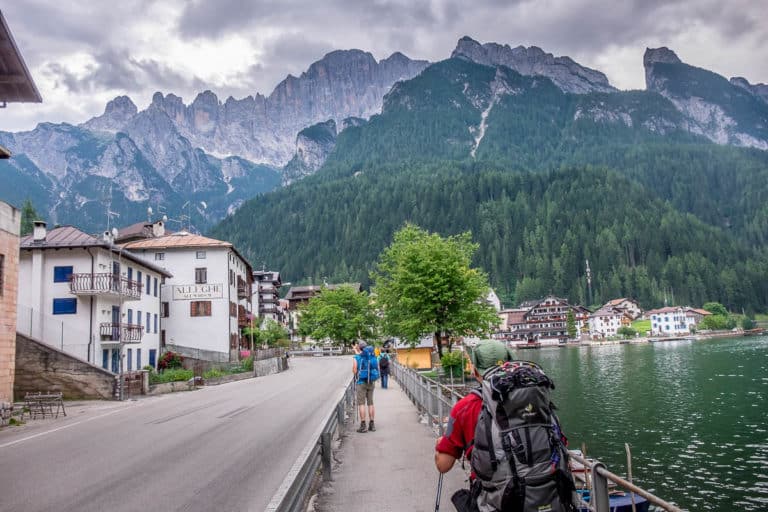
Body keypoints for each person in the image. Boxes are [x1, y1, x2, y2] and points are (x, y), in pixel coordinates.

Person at [434, 339, 514, 473]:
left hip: (492, 491)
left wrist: (440, 445)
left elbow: (443, 465)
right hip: (543, 490)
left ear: (476, 372)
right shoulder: (533, 397)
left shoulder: (464, 407)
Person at [352, 340, 378, 432]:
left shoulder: (356, 357)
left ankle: (363, 426)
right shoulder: (371, 356)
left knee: (361, 404)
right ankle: (372, 424)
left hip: (361, 383)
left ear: (359, 347)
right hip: (371, 382)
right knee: (370, 403)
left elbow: (355, 371)